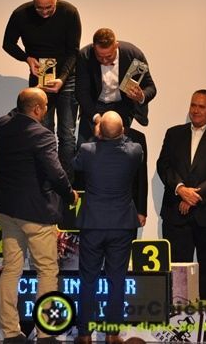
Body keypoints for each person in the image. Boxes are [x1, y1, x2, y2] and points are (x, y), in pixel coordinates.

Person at [0, 87, 78, 343]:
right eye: (46, 105)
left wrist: (22, 105)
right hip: (36, 212)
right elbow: (56, 172)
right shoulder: (43, 135)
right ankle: (45, 333)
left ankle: (10, 333)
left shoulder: (2, 125)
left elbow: (12, 113)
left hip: (8, 209)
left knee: (11, 269)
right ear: (38, 109)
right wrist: (70, 194)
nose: (47, 109)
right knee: (47, 270)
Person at [156, 89, 206, 300]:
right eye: (193, 105)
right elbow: (163, 165)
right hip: (176, 215)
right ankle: (177, 316)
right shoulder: (174, 134)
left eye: (201, 106)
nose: (196, 110)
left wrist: (194, 197)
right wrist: (181, 189)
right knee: (177, 273)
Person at [72, 111, 143, 344]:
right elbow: (125, 140)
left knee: (88, 280)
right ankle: (112, 334)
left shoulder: (87, 150)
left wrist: (97, 133)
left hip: (93, 224)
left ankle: (84, 334)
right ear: (122, 131)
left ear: (100, 131)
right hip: (121, 226)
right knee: (117, 280)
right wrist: (108, 132)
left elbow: (75, 164)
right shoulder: (134, 151)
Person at [2, 0, 81, 180]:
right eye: (39, 8)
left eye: (49, 8)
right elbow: (8, 43)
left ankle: (66, 183)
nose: (44, 12)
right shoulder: (21, 14)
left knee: (67, 134)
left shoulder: (69, 12)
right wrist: (27, 58)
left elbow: (73, 52)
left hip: (66, 78)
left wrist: (62, 79)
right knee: (43, 131)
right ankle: (47, 181)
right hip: (39, 78)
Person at [75, 27, 156, 144]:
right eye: (99, 56)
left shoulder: (133, 55)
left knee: (119, 150)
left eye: (109, 56)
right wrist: (97, 119)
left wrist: (141, 96)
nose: (104, 61)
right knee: (85, 148)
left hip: (122, 107)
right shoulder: (85, 56)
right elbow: (82, 93)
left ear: (116, 46)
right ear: (94, 48)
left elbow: (151, 87)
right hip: (93, 107)